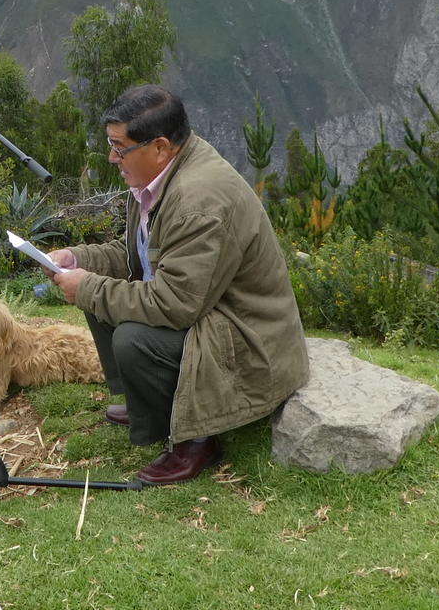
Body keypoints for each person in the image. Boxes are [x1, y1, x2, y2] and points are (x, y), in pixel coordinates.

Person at [47, 85, 307, 484]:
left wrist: (87, 287)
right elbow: (139, 251)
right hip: (207, 306)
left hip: (247, 333)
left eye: (119, 147)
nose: (111, 157)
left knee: (132, 336)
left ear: (161, 146)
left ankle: (196, 440)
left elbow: (175, 304)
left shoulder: (197, 199)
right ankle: (147, 407)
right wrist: (78, 261)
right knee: (99, 293)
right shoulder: (157, 175)